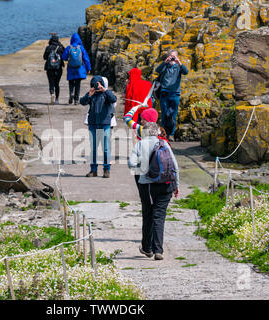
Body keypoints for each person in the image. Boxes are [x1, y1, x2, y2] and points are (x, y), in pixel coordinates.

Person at [128, 122, 179, 261]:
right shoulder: (164, 144)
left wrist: (143, 164)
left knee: (148, 214)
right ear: (157, 132)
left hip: (147, 186)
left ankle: (147, 248)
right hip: (165, 185)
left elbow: (131, 164)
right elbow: (174, 165)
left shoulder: (140, 144)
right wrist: (176, 186)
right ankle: (158, 251)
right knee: (159, 216)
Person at [80, 75, 117, 178]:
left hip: (105, 123)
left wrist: (105, 90)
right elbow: (82, 102)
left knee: (105, 148)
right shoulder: (91, 94)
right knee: (93, 148)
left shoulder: (106, 94)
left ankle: (106, 170)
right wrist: (89, 94)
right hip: (93, 123)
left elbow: (114, 99)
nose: (96, 86)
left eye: (98, 84)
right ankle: (93, 170)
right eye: (94, 85)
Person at [155, 49, 189, 142]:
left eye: (174, 56)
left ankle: (172, 134)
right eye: (171, 56)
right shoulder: (165, 66)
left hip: (175, 93)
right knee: (164, 113)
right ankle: (164, 133)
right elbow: (157, 70)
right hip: (164, 92)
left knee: (173, 114)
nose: (172, 58)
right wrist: (164, 62)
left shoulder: (178, 67)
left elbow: (186, 72)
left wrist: (179, 62)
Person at [62, 33, 91, 105]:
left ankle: (71, 93)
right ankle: (76, 99)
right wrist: (88, 68)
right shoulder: (81, 48)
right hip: (79, 69)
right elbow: (86, 59)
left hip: (71, 68)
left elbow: (64, 57)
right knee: (78, 84)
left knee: (71, 82)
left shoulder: (69, 47)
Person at [43, 34, 65, 105]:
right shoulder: (61, 47)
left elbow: (45, 57)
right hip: (58, 68)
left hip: (50, 68)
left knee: (51, 82)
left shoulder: (48, 48)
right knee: (57, 84)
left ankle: (52, 93)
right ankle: (57, 99)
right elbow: (64, 57)